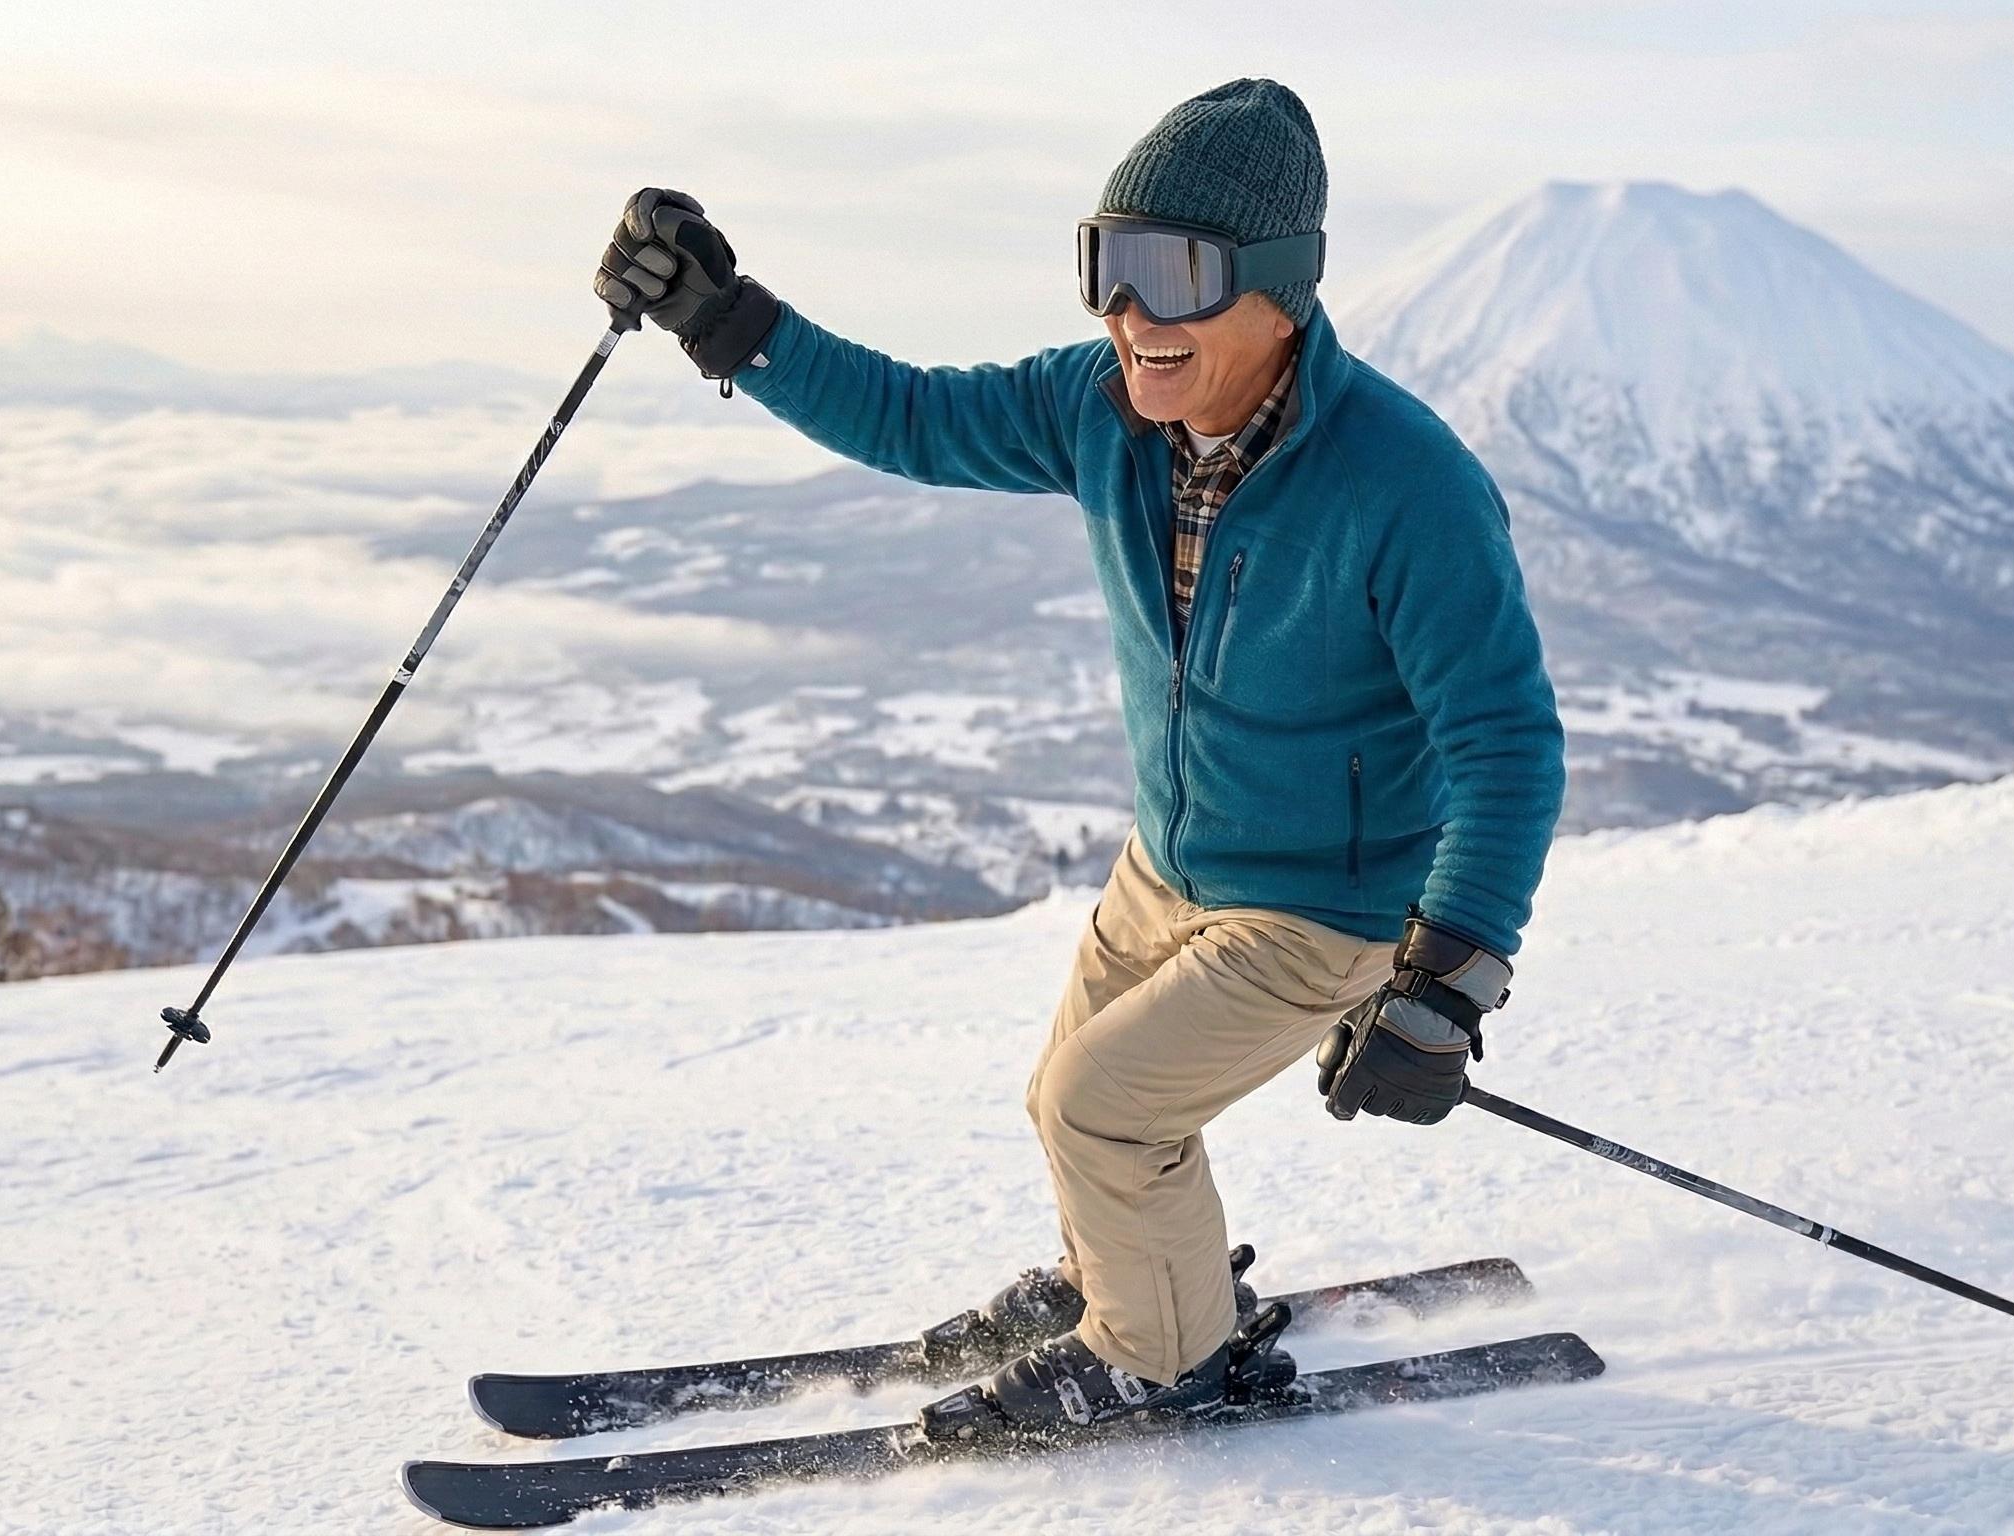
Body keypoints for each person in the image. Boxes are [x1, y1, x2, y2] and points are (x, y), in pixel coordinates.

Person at [594, 78, 1564, 1433]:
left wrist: (1446, 978)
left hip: (1323, 904)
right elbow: (915, 416)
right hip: (1169, 867)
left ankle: (1163, 1356)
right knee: (1078, 1097)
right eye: (1106, 269)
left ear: (1278, 293)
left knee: (1098, 1106)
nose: (1131, 316)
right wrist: (725, 321)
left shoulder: (1405, 486)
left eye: (1173, 275)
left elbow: (1507, 743)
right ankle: (1124, 1275)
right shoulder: (1102, 409)